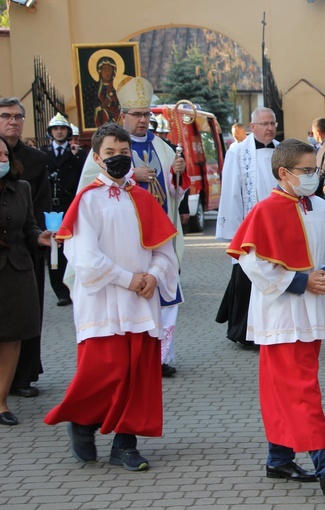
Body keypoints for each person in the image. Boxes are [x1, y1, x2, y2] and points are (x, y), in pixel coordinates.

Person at [44, 123, 179, 471]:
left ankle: (125, 444)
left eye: (123, 153)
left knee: (138, 373)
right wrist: (129, 279)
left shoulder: (143, 197)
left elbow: (165, 250)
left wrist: (154, 276)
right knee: (104, 371)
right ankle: (83, 422)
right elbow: (85, 257)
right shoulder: (87, 200)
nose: (118, 159)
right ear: (96, 157)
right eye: (110, 154)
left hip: (141, 299)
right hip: (103, 299)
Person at [226, 139, 325, 496]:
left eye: (316, 170)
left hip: (311, 311)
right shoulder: (264, 211)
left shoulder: (322, 208)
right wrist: (299, 279)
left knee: (284, 387)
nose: (314, 176)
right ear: (284, 173)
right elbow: (252, 263)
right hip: (281, 313)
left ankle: (279, 458)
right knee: (302, 390)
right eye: (306, 171)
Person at [78, 77, 189, 378]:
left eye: (146, 114)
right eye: (137, 114)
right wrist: (131, 175)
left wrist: (176, 175)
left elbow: (174, 194)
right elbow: (90, 187)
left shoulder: (163, 148)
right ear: (123, 115)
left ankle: (162, 355)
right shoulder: (106, 149)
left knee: (165, 294)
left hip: (157, 236)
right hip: (121, 243)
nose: (143, 120)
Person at [0, 97, 51, 398]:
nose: (14, 121)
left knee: (27, 316)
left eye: (19, 117)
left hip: (25, 247)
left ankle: (24, 375)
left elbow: (40, 207)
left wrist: (40, 237)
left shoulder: (35, 160)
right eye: (6, 116)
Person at [215, 107, 279, 349]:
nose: (269, 128)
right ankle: (243, 331)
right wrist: (234, 232)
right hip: (249, 225)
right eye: (264, 123)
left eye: (272, 123)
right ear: (252, 127)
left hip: (275, 226)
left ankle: (271, 329)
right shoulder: (238, 152)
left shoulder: (283, 150)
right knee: (247, 277)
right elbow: (231, 191)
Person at [44, 113, 86, 307]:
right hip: (51, 207)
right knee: (53, 250)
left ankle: (74, 286)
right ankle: (60, 291)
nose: (59, 132)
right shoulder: (43, 153)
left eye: (62, 129)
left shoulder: (77, 152)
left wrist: (76, 156)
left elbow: (84, 176)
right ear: (51, 132)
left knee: (72, 247)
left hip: (70, 205)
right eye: (55, 129)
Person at [93, 56, 120, 127]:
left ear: (113, 70)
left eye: (109, 69)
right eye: (104, 69)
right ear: (100, 71)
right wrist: (100, 107)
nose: (107, 72)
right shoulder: (94, 89)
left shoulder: (117, 87)